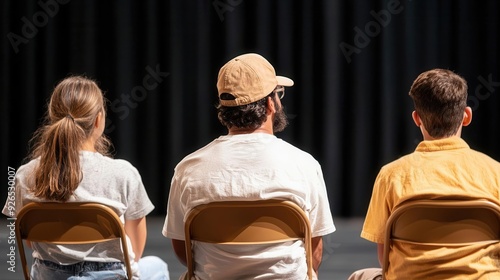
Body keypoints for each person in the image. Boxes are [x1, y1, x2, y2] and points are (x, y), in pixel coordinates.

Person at [162, 53, 335, 280]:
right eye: (278, 94)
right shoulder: (304, 164)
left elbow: (182, 249)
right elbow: (314, 253)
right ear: (270, 103)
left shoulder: (188, 168)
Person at [2, 76, 170, 280]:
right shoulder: (123, 174)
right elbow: (134, 249)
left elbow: (29, 239)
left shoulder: (24, 175)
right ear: (99, 120)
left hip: (49, 276)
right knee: (158, 266)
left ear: (53, 117)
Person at [349, 69, 500, 280]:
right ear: (466, 116)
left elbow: (385, 258)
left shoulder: (391, 175)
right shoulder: (495, 173)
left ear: (416, 118)